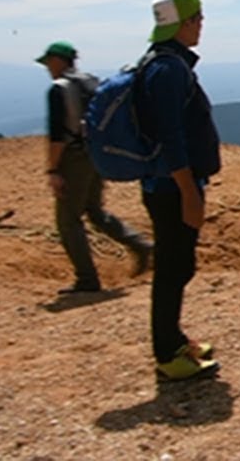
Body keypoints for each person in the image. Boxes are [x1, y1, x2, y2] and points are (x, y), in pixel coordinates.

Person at [138, 0, 222, 381]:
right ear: (185, 22)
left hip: (167, 186)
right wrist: (190, 192)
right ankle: (168, 354)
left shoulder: (162, 63)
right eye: (198, 18)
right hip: (171, 189)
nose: (202, 25)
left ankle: (174, 339)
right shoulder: (169, 69)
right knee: (173, 268)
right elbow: (171, 138)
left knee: (178, 266)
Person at [37, 41, 153, 294]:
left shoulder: (59, 89)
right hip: (97, 154)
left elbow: (58, 136)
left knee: (68, 221)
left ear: (59, 60)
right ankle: (140, 244)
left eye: (48, 61)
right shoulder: (91, 82)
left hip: (74, 158)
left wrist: (53, 170)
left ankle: (87, 280)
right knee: (95, 211)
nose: (47, 67)